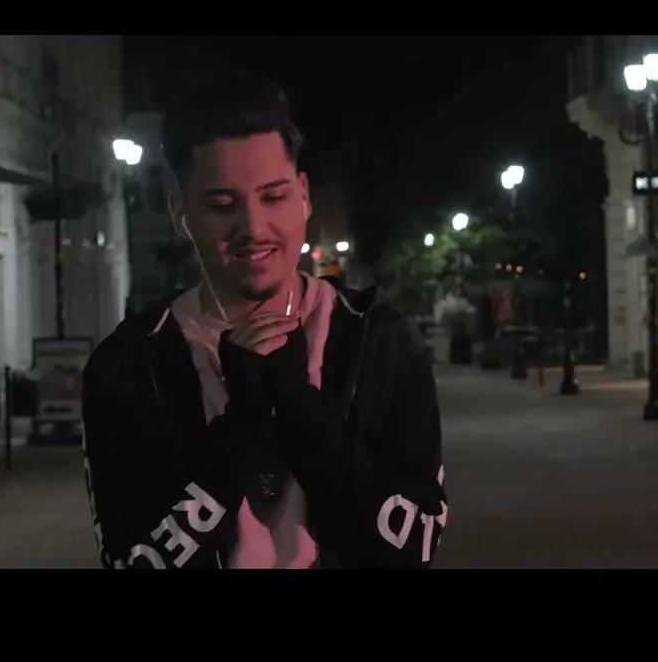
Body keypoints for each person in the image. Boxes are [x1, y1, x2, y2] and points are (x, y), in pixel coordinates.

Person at [80, 74, 448, 569]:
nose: (253, 228)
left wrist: (302, 414)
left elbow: (415, 546)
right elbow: (134, 560)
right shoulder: (129, 364)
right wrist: (240, 430)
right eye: (221, 205)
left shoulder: (377, 337)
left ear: (303, 196)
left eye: (273, 197)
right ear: (180, 212)